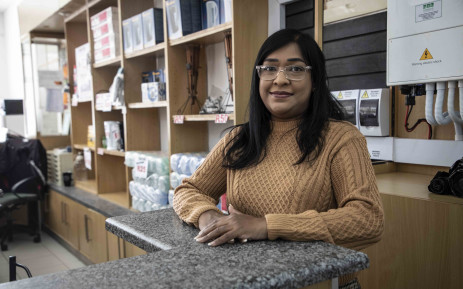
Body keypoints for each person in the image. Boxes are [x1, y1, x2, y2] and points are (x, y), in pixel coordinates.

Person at [173, 29, 384, 288]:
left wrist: (266, 226)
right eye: (269, 69)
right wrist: (208, 217)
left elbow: (368, 220)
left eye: (295, 70)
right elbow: (188, 190)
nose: (280, 80)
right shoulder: (240, 139)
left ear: (315, 79)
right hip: (247, 281)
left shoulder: (342, 139)